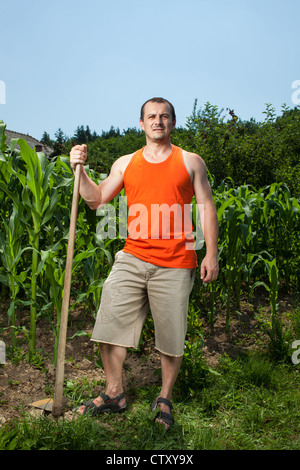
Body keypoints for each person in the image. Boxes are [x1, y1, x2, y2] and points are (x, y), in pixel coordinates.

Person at [70, 97, 219, 429]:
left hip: (177, 262)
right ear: (141, 124)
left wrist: (211, 252)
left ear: (173, 123)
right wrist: (77, 170)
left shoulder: (191, 161)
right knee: (108, 323)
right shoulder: (125, 163)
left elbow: (207, 206)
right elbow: (95, 199)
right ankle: (114, 394)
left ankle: (164, 397)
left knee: (171, 336)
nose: (158, 121)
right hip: (133, 256)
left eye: (164, 116)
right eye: (151, 116)